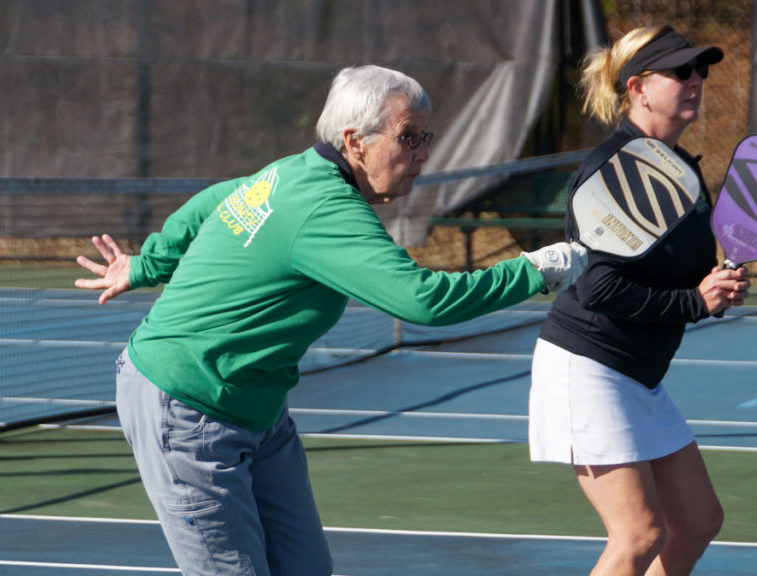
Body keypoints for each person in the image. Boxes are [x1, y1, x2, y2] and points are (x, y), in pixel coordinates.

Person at [75, 64, 587, 576]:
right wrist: (536, 270)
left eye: (425, 136)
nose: (423, 154)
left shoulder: (292, 171)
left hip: (256, 406)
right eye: (408, 137)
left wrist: (145, 266)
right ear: (355, 141)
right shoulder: (325, 207)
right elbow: (425, 302)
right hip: (186, 404)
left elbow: (210, 202)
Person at [528, 25, 751, 576]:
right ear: (637, 88)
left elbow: (679, 275)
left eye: (700, 70)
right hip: (588, 366)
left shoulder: (680, 170)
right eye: (680, 71)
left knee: (697, 521)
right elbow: (595, 286)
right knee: (639, 534)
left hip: (637, 374)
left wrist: (717, 285)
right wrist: (694, 303)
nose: (696, 80)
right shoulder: (613, 171)